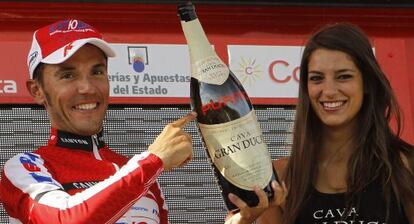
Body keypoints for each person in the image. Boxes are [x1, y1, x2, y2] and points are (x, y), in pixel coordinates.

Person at [0, 19, 196, 223]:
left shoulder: (141, 173)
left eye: (97, 72)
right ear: (37, 90)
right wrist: (152, 161)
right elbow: (62, 219)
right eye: (68, 75)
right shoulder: (25, 167)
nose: (88, 87)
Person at [225, 23, 414, 224]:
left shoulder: (405, 167)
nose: (329, 90)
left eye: (343, 77)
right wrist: (243, 221)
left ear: (366, 82)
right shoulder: (282, 176)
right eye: (317, 78)